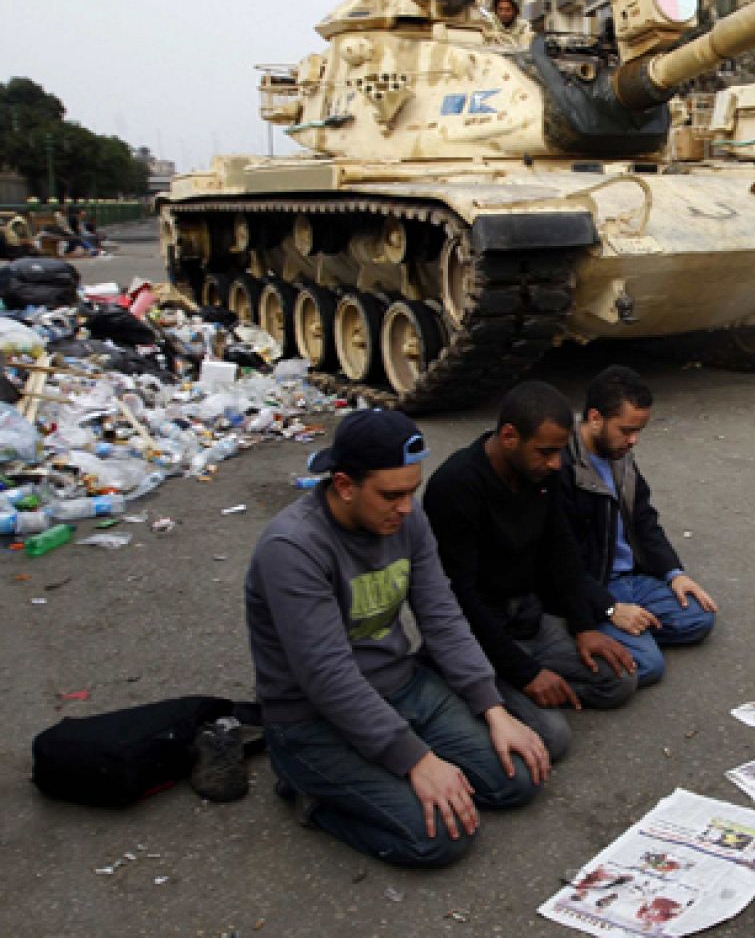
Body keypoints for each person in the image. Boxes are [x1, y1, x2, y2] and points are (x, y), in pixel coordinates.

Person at [246, 410, 547, 867]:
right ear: (345, 485)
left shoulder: (407, 519)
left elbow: (442, 615)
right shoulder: (292, 548)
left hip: (401, 686)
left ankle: (391, 770)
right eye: (391, 495)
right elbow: (328, 677)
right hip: (312, 719)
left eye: (412, 491)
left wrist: (492, 707)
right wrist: (415, 760)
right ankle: (311, 795)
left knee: (519, 777)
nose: (406, 508)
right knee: (442, 837)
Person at [424, 382, 638, 748]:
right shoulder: (456, 485)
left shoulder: (542, 474)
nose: (556, 463)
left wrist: (583, 625)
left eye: (558, 452)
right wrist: (527, 674)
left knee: (620, 680)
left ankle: (520, 693)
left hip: (527, 620)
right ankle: (464, 686)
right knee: (553, 738)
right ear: (509, 436)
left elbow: (561, 551)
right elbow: (459, 597)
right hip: (479, 631)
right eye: (545, 452)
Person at [561, 366, 718, 688]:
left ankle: (630, 633)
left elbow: (645, 519)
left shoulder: (619, 455)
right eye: (626, 430)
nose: (633, 441)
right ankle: (581, 641)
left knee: (699, 619)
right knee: (646, 666)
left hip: (630, 579)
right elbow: (558, 563)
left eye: (639, 431)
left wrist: (675, 574)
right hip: (591, 587)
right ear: (594, 418)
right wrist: (609, 609)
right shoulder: (561, 467)